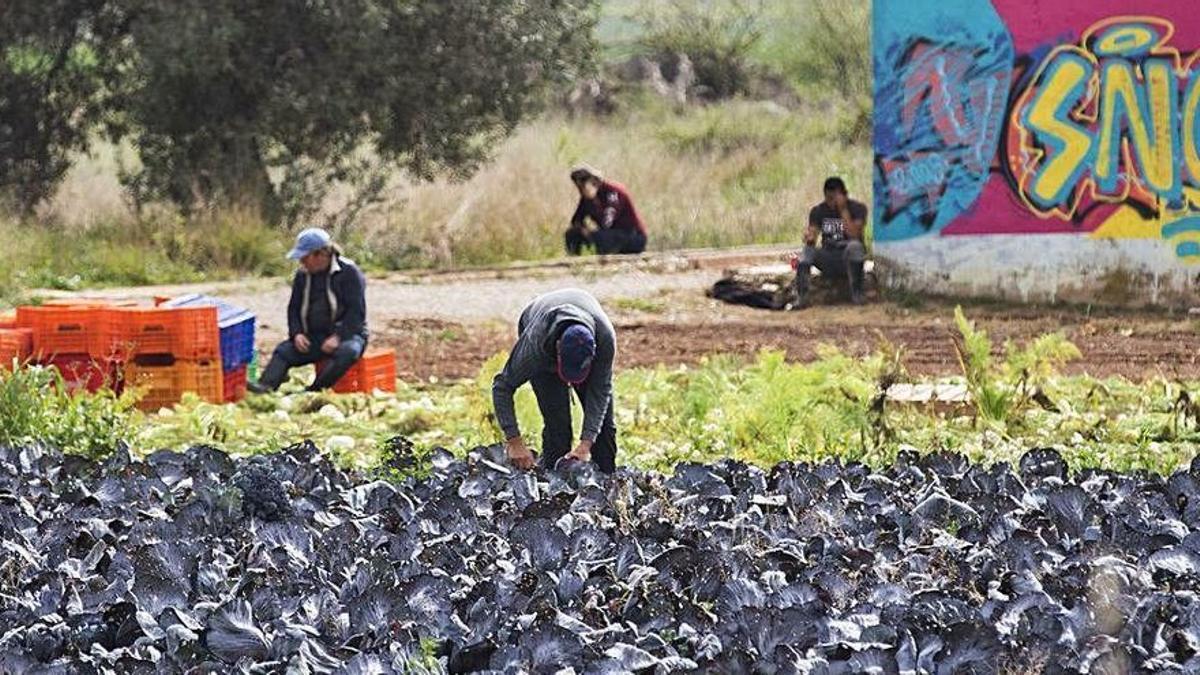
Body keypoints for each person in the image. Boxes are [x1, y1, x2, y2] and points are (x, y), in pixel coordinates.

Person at [492, 289, 618, 473]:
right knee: (557, 427)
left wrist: (585, 444)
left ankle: (607, 485)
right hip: (538, 321)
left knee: (605, 430)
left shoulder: (604, 339)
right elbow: (502, 386)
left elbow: (600, 392)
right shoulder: (535, 347)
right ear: (558, 348)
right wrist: (514, 442)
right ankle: (552, 487)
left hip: (585, 314)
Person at [248, 228, 369, 393]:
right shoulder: (303, 275)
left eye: (305, 258)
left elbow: (356, 313)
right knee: (283, 351)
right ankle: (266, 386)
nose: (302, 263)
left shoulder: (349, 273)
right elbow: (294, 308)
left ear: (320, 255)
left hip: (347, 335)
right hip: (315, 336)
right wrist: (297, 333)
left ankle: (314, 390)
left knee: (348, 352)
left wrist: (338, 337)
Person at [794, 177, 869, 307]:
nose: (831, 203)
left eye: (834, 198)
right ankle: (802, 297)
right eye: (829, 198)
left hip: (848, 257)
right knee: (806, 252)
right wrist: (809, 237)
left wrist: (843, 209)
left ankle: (857, 294)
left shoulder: (858, 209)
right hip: (829, 255)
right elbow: (812, 235)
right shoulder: (818, 211)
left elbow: (854, 234)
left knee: (855, 246)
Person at [565, 165, 648, 256]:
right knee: (572, 234)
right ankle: (577, 260)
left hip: (633, 236)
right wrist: (581, 230)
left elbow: (607, 221)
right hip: (611, 235)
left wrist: (589, 233)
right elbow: (576, 220)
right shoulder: (586, 199)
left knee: (599, 237)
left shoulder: (613, 192)